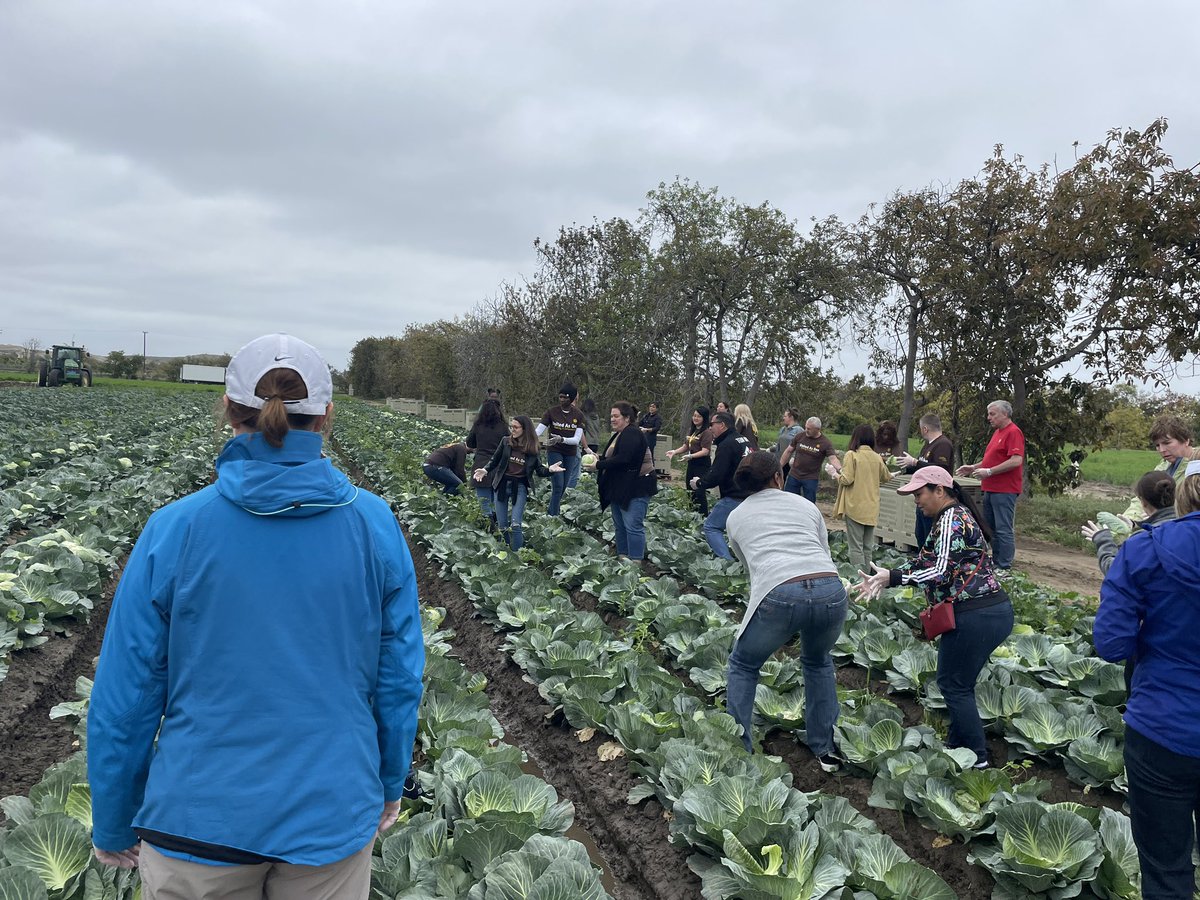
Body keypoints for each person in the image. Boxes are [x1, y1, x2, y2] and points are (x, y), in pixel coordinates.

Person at [88, 334, 425, 899]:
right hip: (332, 814)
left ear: (228, 411)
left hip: (197, 818)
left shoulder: (175, 528)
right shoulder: (374, 525)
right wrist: (389, 781)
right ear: (327, 418)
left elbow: (127, 693)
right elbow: (399, 679)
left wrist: (117, 816)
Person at [854, 466, 1013, 769]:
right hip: (986, 612)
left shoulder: (952, 518)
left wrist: (895, 577)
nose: (916, 500)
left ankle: (977, 758)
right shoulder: (953, 516)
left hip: (975, 615)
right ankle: (957, 745)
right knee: (958, 683)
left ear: (940, 490)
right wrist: (889, 575)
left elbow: (940, 571)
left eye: (919, 494)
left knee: (953, 685)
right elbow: (930, 560)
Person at [1094, 460, 1200, 899]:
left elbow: (1112, 644)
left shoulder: (1145, 548)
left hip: (1163, 728)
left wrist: (1154, 638)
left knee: (1166, 867)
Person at [725, 452, 847, 770]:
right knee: (818, 662)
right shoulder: (806, 506)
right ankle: (826, 750)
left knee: (743, 664)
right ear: (779, 477)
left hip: (779, 590)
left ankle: (739, 750)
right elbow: (823, 550)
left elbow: (750, 566)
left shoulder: (735, 518)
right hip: (830, 589)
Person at [475, 415, 564, 550]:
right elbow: (495, 460)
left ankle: (517, 557)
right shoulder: (505, 442)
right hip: (502, 485)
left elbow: (539, 470)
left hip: (520, 486)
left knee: (516, 525)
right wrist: (485, 470)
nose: (512, 430)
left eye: (515, 427)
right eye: (511, 427)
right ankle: (505, 553)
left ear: (525, 429)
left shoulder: (533, 448)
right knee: (503, 526)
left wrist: (550, 470)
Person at [956, 400, 1024, 570]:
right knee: (990, 527)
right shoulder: (998, 433)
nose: (989, 418)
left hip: (1005, 489)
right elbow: (991, 460)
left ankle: (1004, 564)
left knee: (1003, 528)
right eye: (989, 414)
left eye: (992, 414)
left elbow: (1016, 460)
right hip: (990, 488)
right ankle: (994, 560)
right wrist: (973, 467)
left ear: (1005, 414)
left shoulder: (1013, 432)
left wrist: (990, 472)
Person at [591, 402, 657, 561]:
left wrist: (599, 465)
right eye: (611, 416)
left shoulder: (632, 433)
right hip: (621, 486)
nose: (612, 419)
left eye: (616, 416)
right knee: (620, 525)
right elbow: (615, 457)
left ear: (627, 418)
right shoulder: (620, 433)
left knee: (633, 526)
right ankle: (622, 556)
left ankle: (635, 561)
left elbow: (624, 459)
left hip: (637, 486)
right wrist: (600, 459)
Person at [1082, 470, 1177, 575]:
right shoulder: (1191, 526)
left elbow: (1114, 569)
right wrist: (1137, 525)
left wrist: (1104, 541)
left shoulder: (1144, 539)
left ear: (1143, 502)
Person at [690, 411, 754, 559]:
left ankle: (727, 562)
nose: (710, 428)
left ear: (722, 425)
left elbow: (717, 474)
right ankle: (746, 562)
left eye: (712, 424)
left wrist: (699, 483)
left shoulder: (726, 445)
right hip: (751, 494)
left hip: (735, 495)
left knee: (711, 527)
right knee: (741, 532)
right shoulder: (743, 439)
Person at [830, 424, 892, 574]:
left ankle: (859, 579)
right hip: (871, 508)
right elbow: (886, 477)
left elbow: (847, 480)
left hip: (855, 507)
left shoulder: (852, 455)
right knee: (867, 547)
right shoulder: (877, 457)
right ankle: (870, 579)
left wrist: (834, 474)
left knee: (856, 547)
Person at [1118, 415, 1199, 522]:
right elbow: (1144, 496)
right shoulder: (1163, 466)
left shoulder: (1196, 466)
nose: (1161, 449)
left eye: (1167, 443)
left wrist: (1163, 517)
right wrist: (1129, 520)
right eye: (1157, 445)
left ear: (1186, 441)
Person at [897, 414, 955, 547]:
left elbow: (941, 469)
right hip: (923, 497)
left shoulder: (943, 444)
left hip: (935, 498)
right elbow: (923, 469)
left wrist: (915, 462)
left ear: (925, 429)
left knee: (931, 536)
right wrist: (905, 468)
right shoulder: (928, 445)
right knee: (921, 535)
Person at [536, 384, 585, 515]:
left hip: (570, 453)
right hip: (554, 451)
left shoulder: (578, 415)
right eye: (560, 397)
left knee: (563, 486)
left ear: (572, 398)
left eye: (565, 397)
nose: (562, 400)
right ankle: (553, 516)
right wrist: (527, 438)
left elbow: (576, 440)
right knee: (558, 484)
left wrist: (561, 439)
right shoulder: (551, 412)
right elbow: (539, 430)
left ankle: (552, 511)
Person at [780, 417, 841, 503]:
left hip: (810, 478)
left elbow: (833, 458)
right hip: (794, 475)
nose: (806, 430)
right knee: (788, 501)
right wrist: (779, 466)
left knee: (809, 503)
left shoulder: (825, 443)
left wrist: (841, 470)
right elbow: (788, 451)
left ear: (818, 429)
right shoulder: (800, 436)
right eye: (806, 427)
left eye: (809, 429)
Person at [666, 407, 714, 515]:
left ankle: (703, 515)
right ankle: (692, 514)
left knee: (699, 491)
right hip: (692, 463)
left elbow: (705, 451)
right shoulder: (692, 430)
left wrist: (691, 456)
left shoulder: (706, 432)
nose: (695, 418)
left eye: (699, 416)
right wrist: (674, 452)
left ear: (704, 418)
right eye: (694, 415)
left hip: (702, 464)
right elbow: (686, 446)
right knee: (690, 489)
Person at [467, 399, 507, 523]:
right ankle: (499, 530)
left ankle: (488, 529)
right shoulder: (503, 427)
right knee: (496, 502)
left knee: (484, 503)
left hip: (480, 465)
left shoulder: (478, 426)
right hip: (498, 467)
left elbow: (470, 443)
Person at [769, 408, 803, 477]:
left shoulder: (799, 430)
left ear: (791, 417)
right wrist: (770, 449)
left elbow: (800, 447)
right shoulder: (783, 429)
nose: (783, 418)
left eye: (785, 416)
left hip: (790, 463)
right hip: (780, 460)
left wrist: (793, 458)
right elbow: (778, 445)